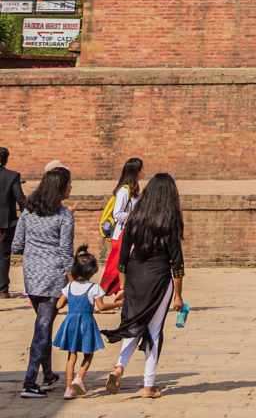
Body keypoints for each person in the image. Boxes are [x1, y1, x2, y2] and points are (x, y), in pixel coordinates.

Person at [104, 172, 185, 399]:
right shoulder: (170, 220)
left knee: (134, 324)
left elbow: (122, 258)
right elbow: (176, 262)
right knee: (154, 330)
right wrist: (178, 295)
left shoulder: (134, 217)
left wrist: (121, 288)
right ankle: (148, 385)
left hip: (134, 277)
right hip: (159, 278)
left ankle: (119, 367)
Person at [12, 164, 74, 396]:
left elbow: (17, 246)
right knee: (43, 326)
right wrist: (74, 282)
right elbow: (66, 252)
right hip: (53, 277)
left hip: (31, 276)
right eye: (69, 183)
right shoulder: (64, 215)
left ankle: (48, 374)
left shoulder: (28, 212)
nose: (71, 187)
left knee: (43, 323)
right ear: (59, 188)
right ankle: (30, 381)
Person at [53, 245, 118, 398]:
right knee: (88, 354)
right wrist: (117, 304)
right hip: (87, 323)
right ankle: (79, 377)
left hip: (71, 322)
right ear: (92, 271)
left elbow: (58, 305)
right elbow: (101, 307)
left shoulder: (69, 286)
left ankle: (68, 388)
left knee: (72, 355)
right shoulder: (94, 288)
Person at [100, 156, 143, 296]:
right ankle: (98, 299)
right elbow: (117, 213)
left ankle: (121, 296)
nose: (144, 171)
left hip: (130, 235)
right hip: (122, 235)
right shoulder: (124, 191)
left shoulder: (134, 190)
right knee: (114, 269)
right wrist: (135, 218)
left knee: (126, 268)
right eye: (142, 168)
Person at [0, 146, 26, 298]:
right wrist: (26, 217)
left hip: (6, 221)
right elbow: (20, 199)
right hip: (6, 222)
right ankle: (2, 289)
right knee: (3, 255)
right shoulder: (12, 176)